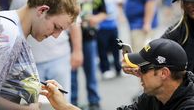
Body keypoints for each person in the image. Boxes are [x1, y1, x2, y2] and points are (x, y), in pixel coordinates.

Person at [41, 39, 194, 110]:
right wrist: (63, 106)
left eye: (143, 69)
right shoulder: (153, 97)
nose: (137, 73)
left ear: (164, 73)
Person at [0, 0, 79, 109]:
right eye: (56, 27)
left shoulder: (12, 28)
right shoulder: (9, 33)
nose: (56, 35)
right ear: (42, 10)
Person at [71, 0, 107, 109]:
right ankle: (72, 102)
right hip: (70, 40)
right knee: (71, 73)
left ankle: (94, 101)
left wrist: (96, 18)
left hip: (88, 37)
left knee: (91, 70)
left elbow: (104, 13)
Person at [161, 0, 194, 73]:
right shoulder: (179, 29)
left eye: (193, 1)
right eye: (185, 2)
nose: (189, 5)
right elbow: (156, 48)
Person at [96, 0, 121, 79]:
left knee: (116, 48)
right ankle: (105, 70)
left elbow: (119, 4)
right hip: (101, 27)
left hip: (113, 25)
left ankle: (118, 68)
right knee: (102, 49)